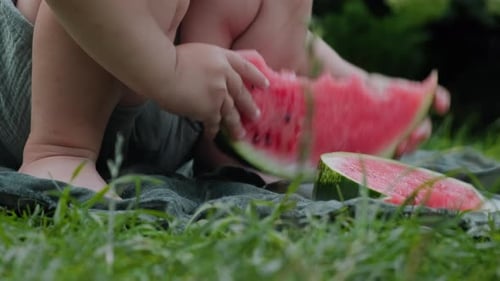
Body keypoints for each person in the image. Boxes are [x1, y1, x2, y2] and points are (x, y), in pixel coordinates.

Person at [0, 0, 449, 195]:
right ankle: (58, 151)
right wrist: (170, 73)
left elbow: (295, 35)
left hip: (185, 108)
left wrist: (357, 83)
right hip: (45, 88)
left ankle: (237, 157)